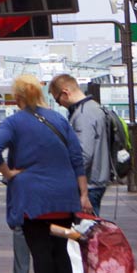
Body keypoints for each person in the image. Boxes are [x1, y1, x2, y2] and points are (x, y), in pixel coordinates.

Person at [0, 74, 91, 273]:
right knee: (61, 249)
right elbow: (76, 157)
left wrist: (8, 173)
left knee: (41, 250)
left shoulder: (14, 123)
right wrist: (83, 193)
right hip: (65, 197)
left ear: (18, 97)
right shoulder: (59, 119)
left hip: (34, 199)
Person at [49, 74, 111, 216]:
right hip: (97, 179)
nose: (59, 104)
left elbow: (83, 154)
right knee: (88, 228)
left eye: (57, 99)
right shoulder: (94, 107)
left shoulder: (83, 114)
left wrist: (69, 179)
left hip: (89, 183)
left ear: (65, 93)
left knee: (85, 230)